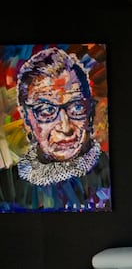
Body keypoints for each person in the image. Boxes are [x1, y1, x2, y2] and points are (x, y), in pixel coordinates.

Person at [0, 47, 110, 212]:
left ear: (90, 112)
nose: (65, 127)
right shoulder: (7, 188)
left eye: (77, 107)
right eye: (47, 111)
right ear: (27, 119)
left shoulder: (108, 174)